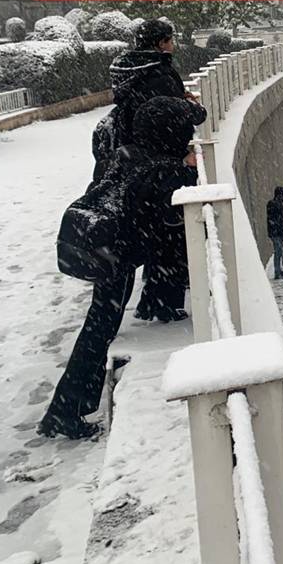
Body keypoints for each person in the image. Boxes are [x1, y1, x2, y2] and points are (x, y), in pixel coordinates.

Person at [41, 96, 200, 439]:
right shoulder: (163, 171)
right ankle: (65, 411)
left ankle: (71, 407)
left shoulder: (130, 153)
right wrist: (188, 171)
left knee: (98, 330)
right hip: (115, 258)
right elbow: (171, 222)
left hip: (106, 250)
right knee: (98, 333)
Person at [93, 19, 202, 184]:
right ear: (161, 44)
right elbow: (168, 117)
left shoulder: (129, 71)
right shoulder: (158, 75)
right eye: (170, 41)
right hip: (157, 158)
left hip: (130, 146)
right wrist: (185, 104)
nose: (173, 46)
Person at [267, 187, 283, 280]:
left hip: (276, 232)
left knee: (279, 252)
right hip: (276, 233)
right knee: (278, 252)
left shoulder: (273, 204)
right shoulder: (277, 205)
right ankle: (277, 272)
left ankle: (279, 270)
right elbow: (282, 221)